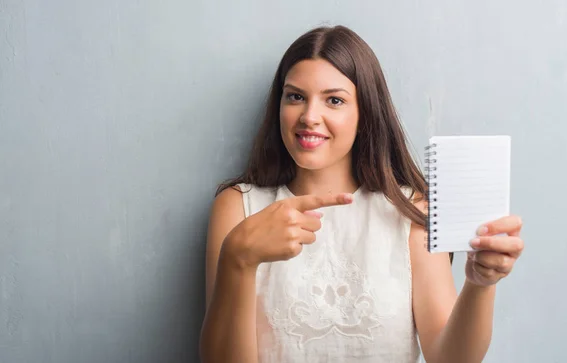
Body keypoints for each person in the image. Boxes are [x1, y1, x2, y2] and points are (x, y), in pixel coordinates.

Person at [199, 25, 524, 363]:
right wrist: (238, 259)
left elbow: (451, 359)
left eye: (334, 100)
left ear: (365, 113)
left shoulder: (409, 212)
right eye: (295, 96)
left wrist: (480, 284)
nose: (309, 117)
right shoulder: (238, 206)